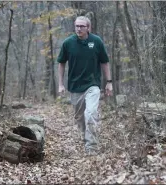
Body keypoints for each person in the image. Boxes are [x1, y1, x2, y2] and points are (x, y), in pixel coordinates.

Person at [57, 16, 113, 156]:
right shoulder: (68, 43)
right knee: (79, 118)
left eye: (82, 26)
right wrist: (60, 84)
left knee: (90, 113)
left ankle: (91, 147)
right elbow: (61, 63)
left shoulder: (96, 41)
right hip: (75, 87)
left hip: (92, 85)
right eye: (77, 26)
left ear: (88, 27)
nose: (79, 28)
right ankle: (85, 137)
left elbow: (104, 62)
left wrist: (109, 82)